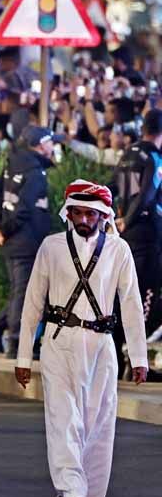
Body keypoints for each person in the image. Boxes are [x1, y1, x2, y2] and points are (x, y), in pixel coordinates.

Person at [16, 180, 148, 497]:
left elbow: (132, 303)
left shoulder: (119, 252)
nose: (84, 218)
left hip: (102, 348)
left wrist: (138, 357)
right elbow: (33, 304)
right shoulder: (51, 247)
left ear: (103, 216)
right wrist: (23, 358)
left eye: (91, 213)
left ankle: (70, 495)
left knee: (96, 424)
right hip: (60, 342)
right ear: (68, 213)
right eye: (78, 212)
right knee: (64, 420)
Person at [0, 125, 61, 357]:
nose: (53, 146)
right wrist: (4, 229)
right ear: (39, 145)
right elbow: (25, 207)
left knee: (21, 290)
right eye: (50, 142)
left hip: (15, 239)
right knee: (24, 292)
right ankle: (17, 343)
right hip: (25, 241)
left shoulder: (13, 164)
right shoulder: (35, 172)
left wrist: (2, 225)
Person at [112, 108, 162, 370]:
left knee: (125, 296)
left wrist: (115, 219)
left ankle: (120, 359)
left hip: (127, 236)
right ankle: (136, 362)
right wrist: (128, 219)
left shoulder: (125, 155)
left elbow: (108, 188)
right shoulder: (154, 157)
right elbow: (147, 194)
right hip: (147, 234)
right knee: (146, 299)